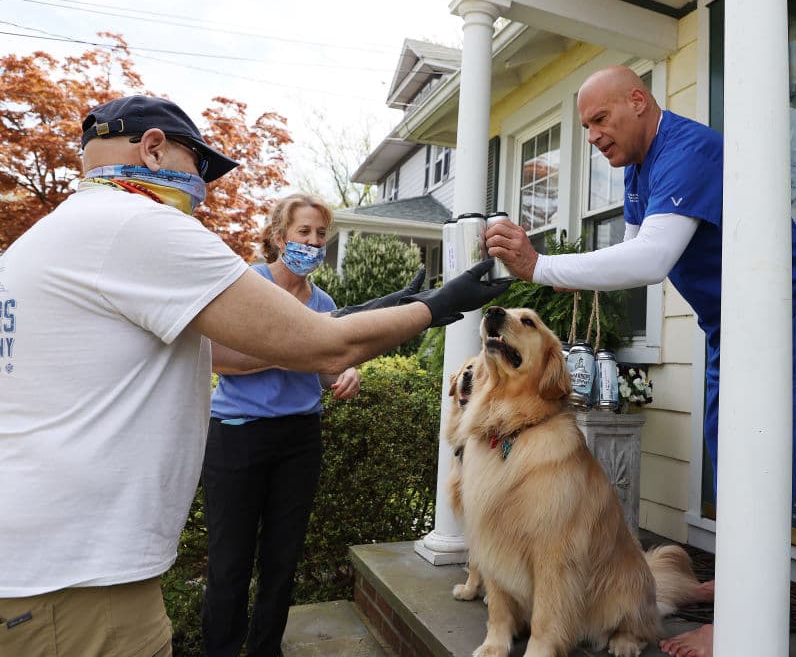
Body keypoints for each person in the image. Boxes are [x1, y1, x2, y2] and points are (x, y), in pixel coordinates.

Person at [0, 94, 507, 657]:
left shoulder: (51, 235)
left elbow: (309, 335)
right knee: (232, 565)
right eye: (198, 166)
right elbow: (320, 344)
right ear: (154, 149)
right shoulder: (136, 224)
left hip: (39, 564)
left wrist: (377, 311)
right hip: (74, 582)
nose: (201, 187)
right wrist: (440, 304)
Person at [484, 65, 796, 657]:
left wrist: (540, 266)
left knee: (762, 460)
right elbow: (633, 252)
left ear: (638, 102)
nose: (593, 135)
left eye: (600, 119)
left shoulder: (687, 150)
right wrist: (556, 271)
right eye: (586, 126)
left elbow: (651, 259)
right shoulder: (638, 167)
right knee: (728, 456)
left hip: (777, 313)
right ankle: (740, 582)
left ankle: (743, 625)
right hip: (727, 322)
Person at [200, 192, 386, 657]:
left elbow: (324, 369)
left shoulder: (324, 303)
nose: (314, 241)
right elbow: (217, 357)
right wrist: (294, 350)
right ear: (280, 237)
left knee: (282, 562)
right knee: (229, 563)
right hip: (237, 435)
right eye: (304, 232)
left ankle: (265, 650)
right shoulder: (247, 285)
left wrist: (344, 371)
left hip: (299, 440)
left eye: (321, 234)